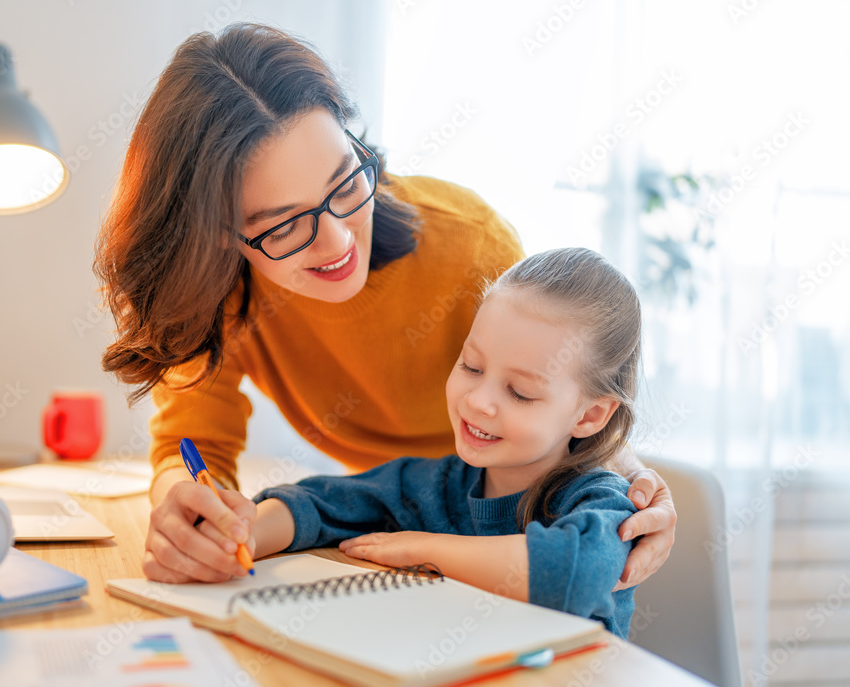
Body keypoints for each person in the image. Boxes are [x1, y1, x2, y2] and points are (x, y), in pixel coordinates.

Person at [93, 22, 677, 589]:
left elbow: (562, 387)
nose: (339, 241)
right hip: (398, 528)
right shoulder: (219, 294)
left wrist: (637, 476)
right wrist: (197, 515)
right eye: (286, 226)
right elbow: (196, 447)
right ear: (219, 235)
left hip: (503, 541)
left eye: (346, 183)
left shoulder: (470, 245)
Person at [231, 247, 642, 637]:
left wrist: (423, 548)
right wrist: (243, 534)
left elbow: (574, 574)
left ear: (589, 416)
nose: (478, 401)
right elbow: (320, 503)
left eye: (519, 393)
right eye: (471, 366)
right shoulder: (433, 484)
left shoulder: (605, 504)